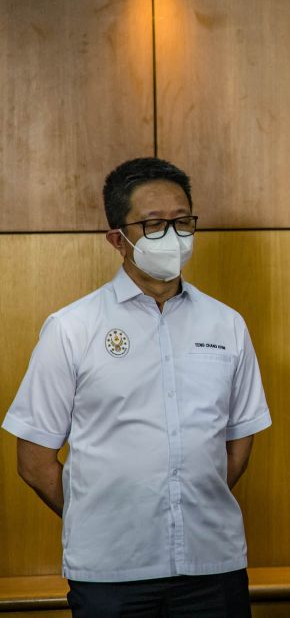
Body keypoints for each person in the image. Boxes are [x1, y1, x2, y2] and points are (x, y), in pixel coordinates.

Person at [3, 158, 271, 617]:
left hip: (213, 567)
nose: (173, 235)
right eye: (153, 225)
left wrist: (189, 497)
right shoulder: (71, 328)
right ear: (117, 239)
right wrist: (96, 513)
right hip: (110, 573)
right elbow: (34, 460)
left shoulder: (227, 324)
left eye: (182, 221)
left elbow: (239, 437)